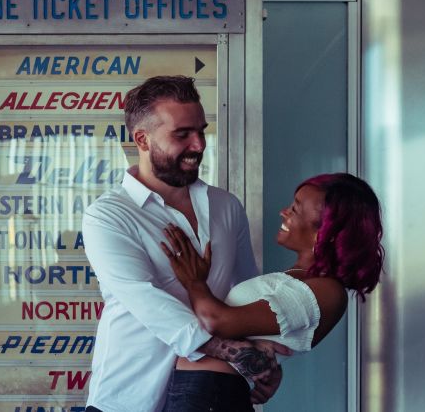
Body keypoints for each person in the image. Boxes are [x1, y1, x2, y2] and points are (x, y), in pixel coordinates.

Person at [81, 75, 287, 412]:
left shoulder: (226, 206)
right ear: (142, 139)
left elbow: (248, 293)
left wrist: (266, 356)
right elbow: (149, 303)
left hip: (211, 395)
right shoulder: (107, 216)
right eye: (182, 134)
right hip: (129, 397)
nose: (199, 145)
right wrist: (242, 356)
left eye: (201, 131)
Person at [160, 172, 384, 411]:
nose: (284, 212)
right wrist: (259, 362)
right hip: (202, 391)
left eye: (295, 209)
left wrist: (195, 281)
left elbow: (216, 321)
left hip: (211, 394)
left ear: (325, 233)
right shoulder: (297, 278)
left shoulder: (327, 291)